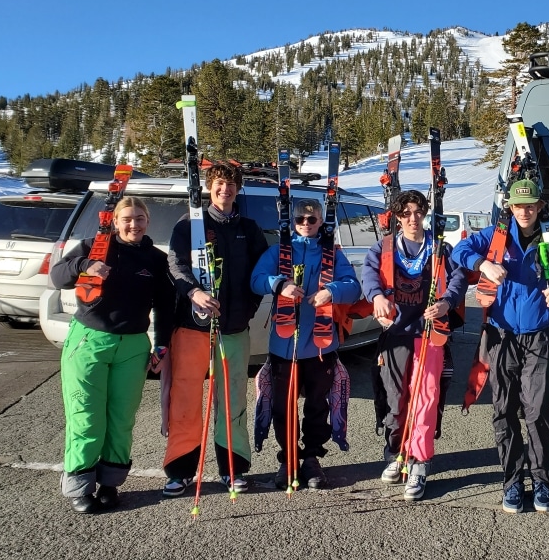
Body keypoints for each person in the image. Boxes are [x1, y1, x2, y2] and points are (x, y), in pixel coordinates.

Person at [452, 179, 549, 514]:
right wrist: (482, 264)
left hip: (539, 337)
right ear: (510, 207)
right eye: (519, 205)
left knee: (537, 414)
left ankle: (542, 483)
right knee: (503, 412)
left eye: (531, 205)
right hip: (501, 336)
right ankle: (512, 483)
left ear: (539, 207)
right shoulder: (495, 237)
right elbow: (459, 251)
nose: (525, 211)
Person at [50, 196, 175, 514]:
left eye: (140, 218)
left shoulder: (156, 259)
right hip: (90, 341)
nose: (134, 224)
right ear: (115, 221)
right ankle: (80, 485)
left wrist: (161, 345)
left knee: (121, 420)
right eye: (127, 219)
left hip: (133, 347)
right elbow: (58, 277)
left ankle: (110, 483)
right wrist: (84, 265)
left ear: (148, 221)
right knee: (87, 417)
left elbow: (164, 306)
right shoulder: (95, 246)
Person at [162, 161, 269, 496]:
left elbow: (259, 273)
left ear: (238, 189)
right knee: (186, 399)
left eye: (232, 184)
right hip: (193, 327)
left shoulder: (249, 228)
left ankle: (232, 467)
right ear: (209, 186)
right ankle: (181, 470)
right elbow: (176, 263)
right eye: (219, 183)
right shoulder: (190, 224)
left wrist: (248, 308)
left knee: (232, 399)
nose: (225, 189)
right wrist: (194, 292)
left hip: (234, 328)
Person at [361, 189, 467, 501]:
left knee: (426, 398)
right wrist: (377, 296)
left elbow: (459, 278)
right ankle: (397, 453)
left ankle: (420, 462)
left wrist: (447, 302)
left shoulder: (439, 248)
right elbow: (369, 275)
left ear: (425, 213)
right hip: (395, 333)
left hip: (429, 333)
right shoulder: (385, 247)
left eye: (417, 212)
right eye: (405, 213)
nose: (412, 218)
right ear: (396, 217)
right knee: (396, 399)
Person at [250, 198, 361, 490]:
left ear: (321, 221)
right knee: (282, 406)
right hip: (284, 345)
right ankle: (288, 458)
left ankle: (311, 457)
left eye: (312, 220)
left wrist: (331, 292)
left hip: (320, 345)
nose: (306, 224)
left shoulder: (332, 254)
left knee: (316, 404)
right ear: (292, 221)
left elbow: (353, 287)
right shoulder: (279, 251)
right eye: (301, 219)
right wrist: (280, 284)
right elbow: (256, 279)